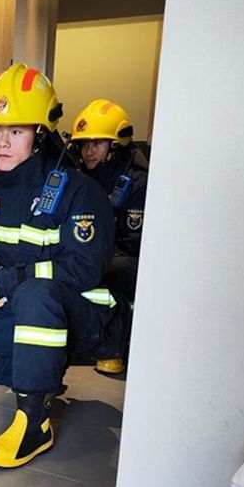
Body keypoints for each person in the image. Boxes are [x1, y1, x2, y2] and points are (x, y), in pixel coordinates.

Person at [0, 63, 117, 469]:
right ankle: (41, 377)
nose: (2, 142)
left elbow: (83, 270)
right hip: (26, 310)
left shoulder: (80, 190)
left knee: (34, 291)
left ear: (41, 134)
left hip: (83, 316)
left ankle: (34, 424)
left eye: (16, 131)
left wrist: (6, 281)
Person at [69, 99, 148, 374]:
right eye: (84, 144)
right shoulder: (79, 178)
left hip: (125, 260)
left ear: (115, 146)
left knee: (111, 271)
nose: (88, 151)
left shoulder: (137, 183)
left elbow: (133, 243)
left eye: (98, 143)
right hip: (90, 255)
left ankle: (110, 348)